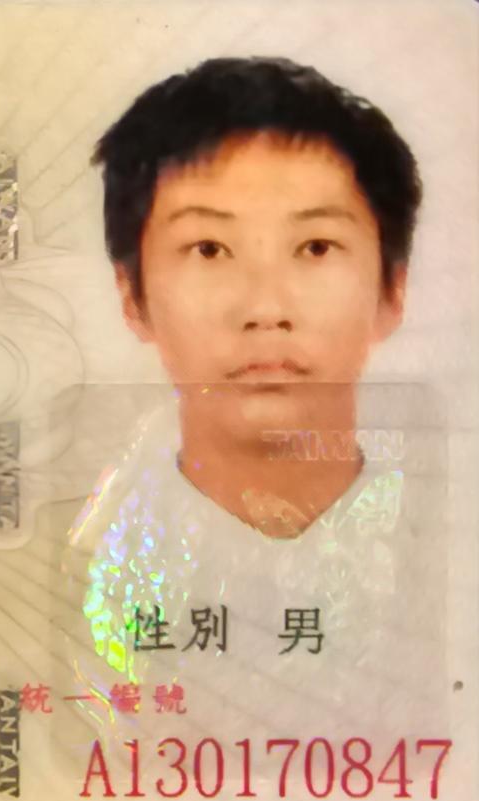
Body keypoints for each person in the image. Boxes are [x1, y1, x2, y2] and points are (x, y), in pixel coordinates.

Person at [59, 57, 444, 750]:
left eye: (315, 247)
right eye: (209, 249)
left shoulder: (453, 547)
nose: (266, 308)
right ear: (132, 296)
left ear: (392, 289)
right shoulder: (67, 563)